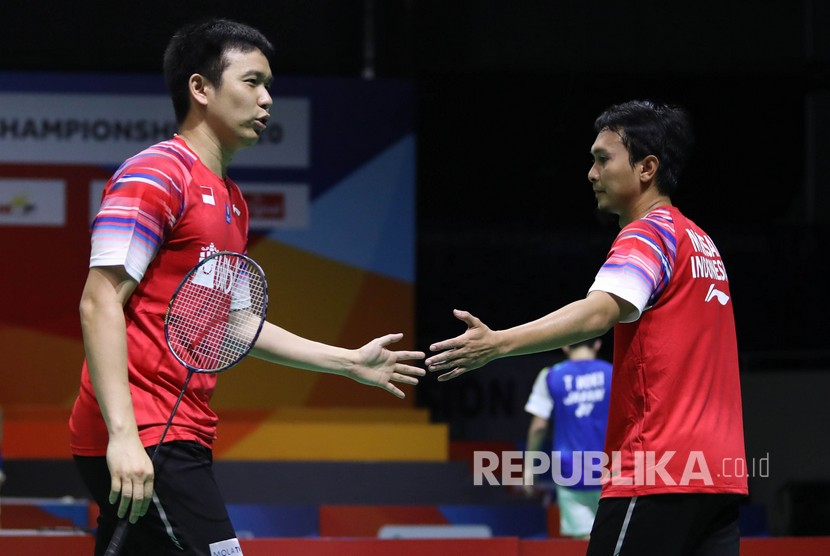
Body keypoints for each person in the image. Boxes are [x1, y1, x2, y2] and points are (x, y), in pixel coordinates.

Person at [69, 18, 424, 556]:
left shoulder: (231, 202)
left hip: (176, 430)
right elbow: (99, 302)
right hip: (144, 433)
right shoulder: (157, 175)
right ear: (200, 88)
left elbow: (232, 325)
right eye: (252, 82)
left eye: (269, 86)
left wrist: (348, 362)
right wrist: (123, 436)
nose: (267, 100)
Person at [426, 100, 748, 555]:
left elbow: (598, 312)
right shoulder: (700, 240)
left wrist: (498, 344)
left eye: (603, 158)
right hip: (719, 474)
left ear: (646, 168)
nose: (591, 173)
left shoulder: (649, 233)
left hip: (658, 468)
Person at [522, 339, 612, 539]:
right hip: (611, 472)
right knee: (612, 539)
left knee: (584, 542)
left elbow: (539, 426)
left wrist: (529, 468)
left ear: (564, 346)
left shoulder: (551, 376)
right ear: (597, 343)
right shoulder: (613, 373)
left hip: (570, 472)